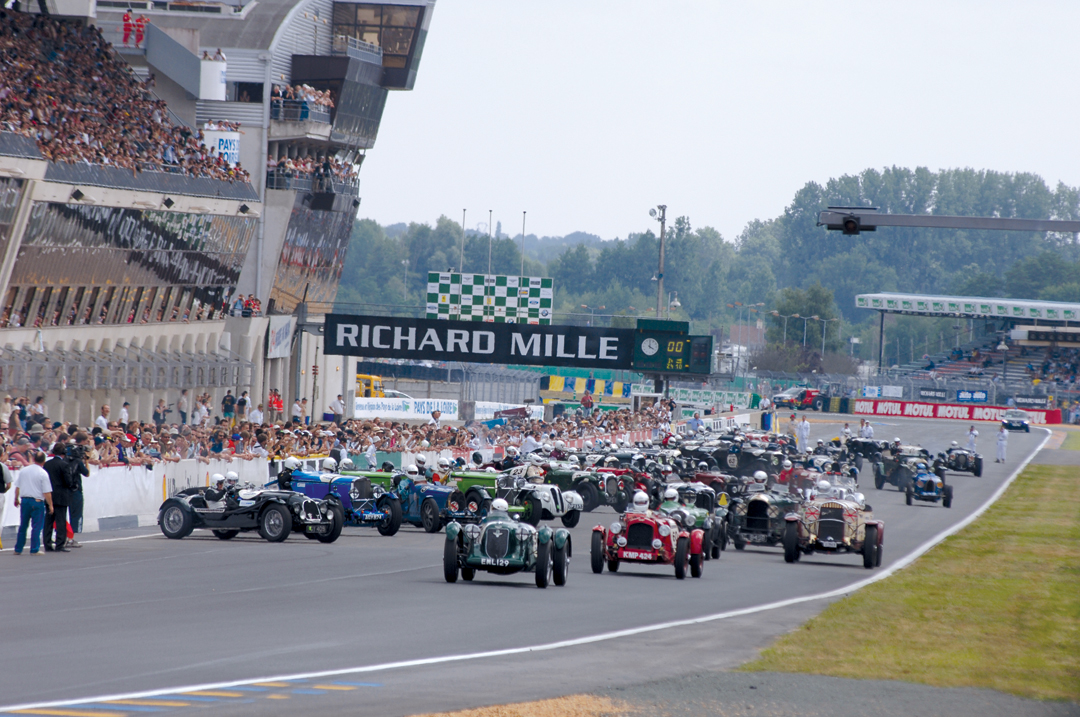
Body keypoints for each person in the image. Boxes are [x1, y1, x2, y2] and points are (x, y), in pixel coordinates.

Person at [13, 451, 53, 555]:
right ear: (44, 461)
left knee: (23, 525)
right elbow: (46, 492)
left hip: (25, 500)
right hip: (37, 501)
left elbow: (18, 486)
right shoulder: (43, 473)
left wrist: (16, 498)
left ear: (34, 459)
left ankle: (18, 548)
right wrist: (50, 505)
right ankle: (34, 548)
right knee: (36, 526)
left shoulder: (24, 471)